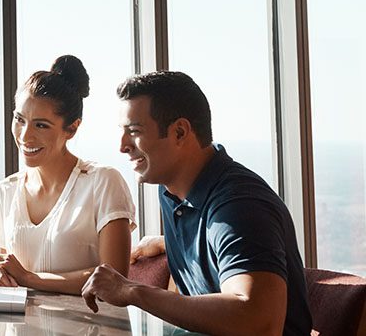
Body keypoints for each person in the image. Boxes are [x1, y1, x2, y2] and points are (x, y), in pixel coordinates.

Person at [81, 71, 312, 336]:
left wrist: (131, 290)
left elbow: (258, 322)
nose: (123, 146)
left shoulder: (239, 205)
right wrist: (166, 241)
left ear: (180, 132)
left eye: (134, 132)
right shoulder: (173, 193)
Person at [0, 55, 136, 294]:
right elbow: (8, 275)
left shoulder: (103, 183)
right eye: (19, 119)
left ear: (72, 128)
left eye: (41, 125)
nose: (25, 136)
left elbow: (113, 279)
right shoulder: (7, 190)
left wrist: (29, 278)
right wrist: (1, 277)